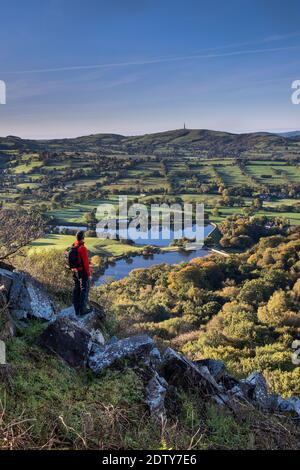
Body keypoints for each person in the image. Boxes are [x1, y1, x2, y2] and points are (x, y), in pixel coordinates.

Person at [72, 230, 93, 316]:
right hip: (82, 271)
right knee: (84, 289)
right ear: (83, 238)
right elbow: (85, 263)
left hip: (75, 271)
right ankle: (83, 310)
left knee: (76, 289)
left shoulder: (73, 245)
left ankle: (77, 309)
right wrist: (89, 274)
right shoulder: (82, 248)